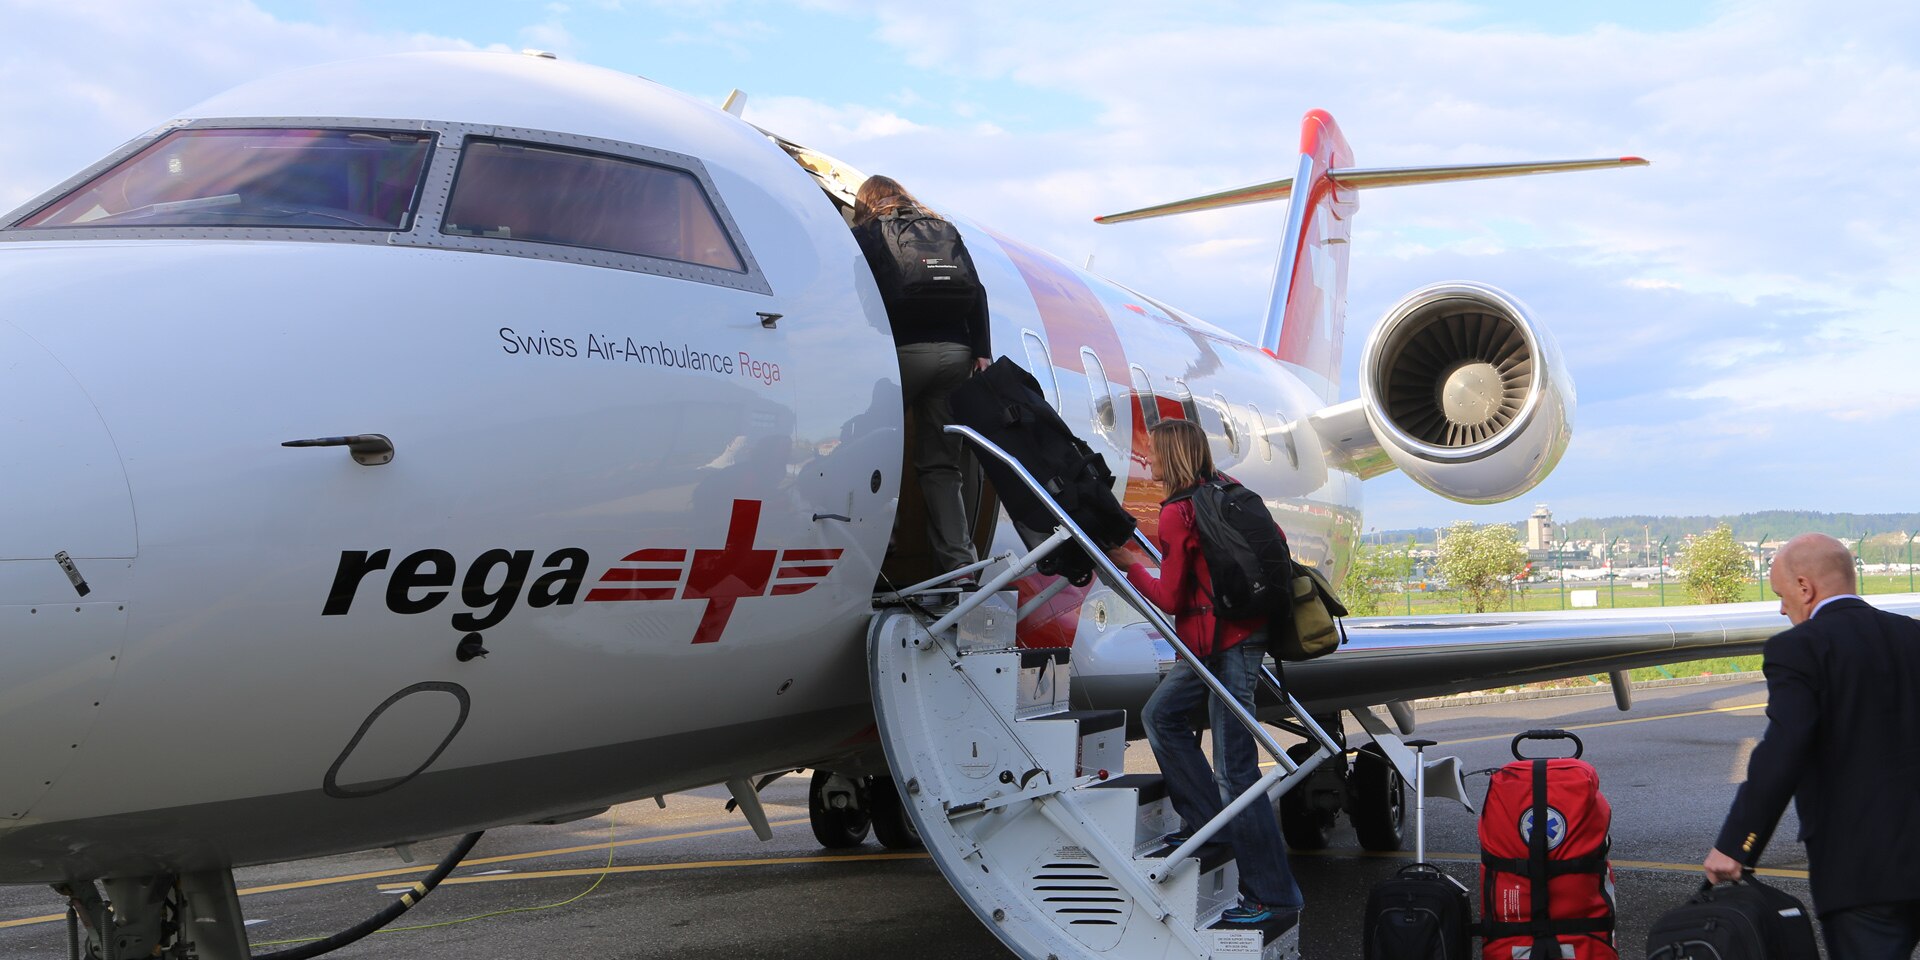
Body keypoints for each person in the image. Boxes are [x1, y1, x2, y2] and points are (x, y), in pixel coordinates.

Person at [1107, 419, 1303, 927]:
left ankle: (1274, 895)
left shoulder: (1178, 512)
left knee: (1237, 771)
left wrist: (1130, 563)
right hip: (1230, 639)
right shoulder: (1233, 493)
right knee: (1163, 717)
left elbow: (1171, 597)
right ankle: (1207, 825)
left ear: (1170, 456)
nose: (1145, 462)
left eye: (1151, 454)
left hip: (1225, 646)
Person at [1704, 532, 1920, 957]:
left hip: (1862, 873)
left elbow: (1783, 752)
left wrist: (1736, 844)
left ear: (1805, 587)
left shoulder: (1800, 648)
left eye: (1782, 595)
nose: (1782, 608)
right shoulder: (1912, 635)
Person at [851, 175, 990, 582]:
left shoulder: (867, 234)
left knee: (879, 452)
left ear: (867, 203)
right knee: (942, 466)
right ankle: (961, 568)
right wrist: (981, 352)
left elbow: (861, 295)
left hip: (903, 355)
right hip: (956, 355)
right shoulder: (942, 228)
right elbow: (976, 292)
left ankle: (880, 557)